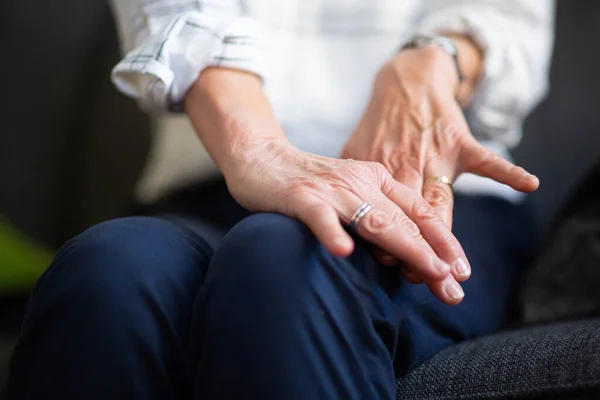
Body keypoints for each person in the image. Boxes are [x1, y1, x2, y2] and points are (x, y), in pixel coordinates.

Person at [9, 1, 554, 399]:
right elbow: (177, 16)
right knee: (109, 270)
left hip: (428, 190)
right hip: (212, 186)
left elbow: (508, 24)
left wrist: (428, 65)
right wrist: (259, 150)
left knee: (291, 260)